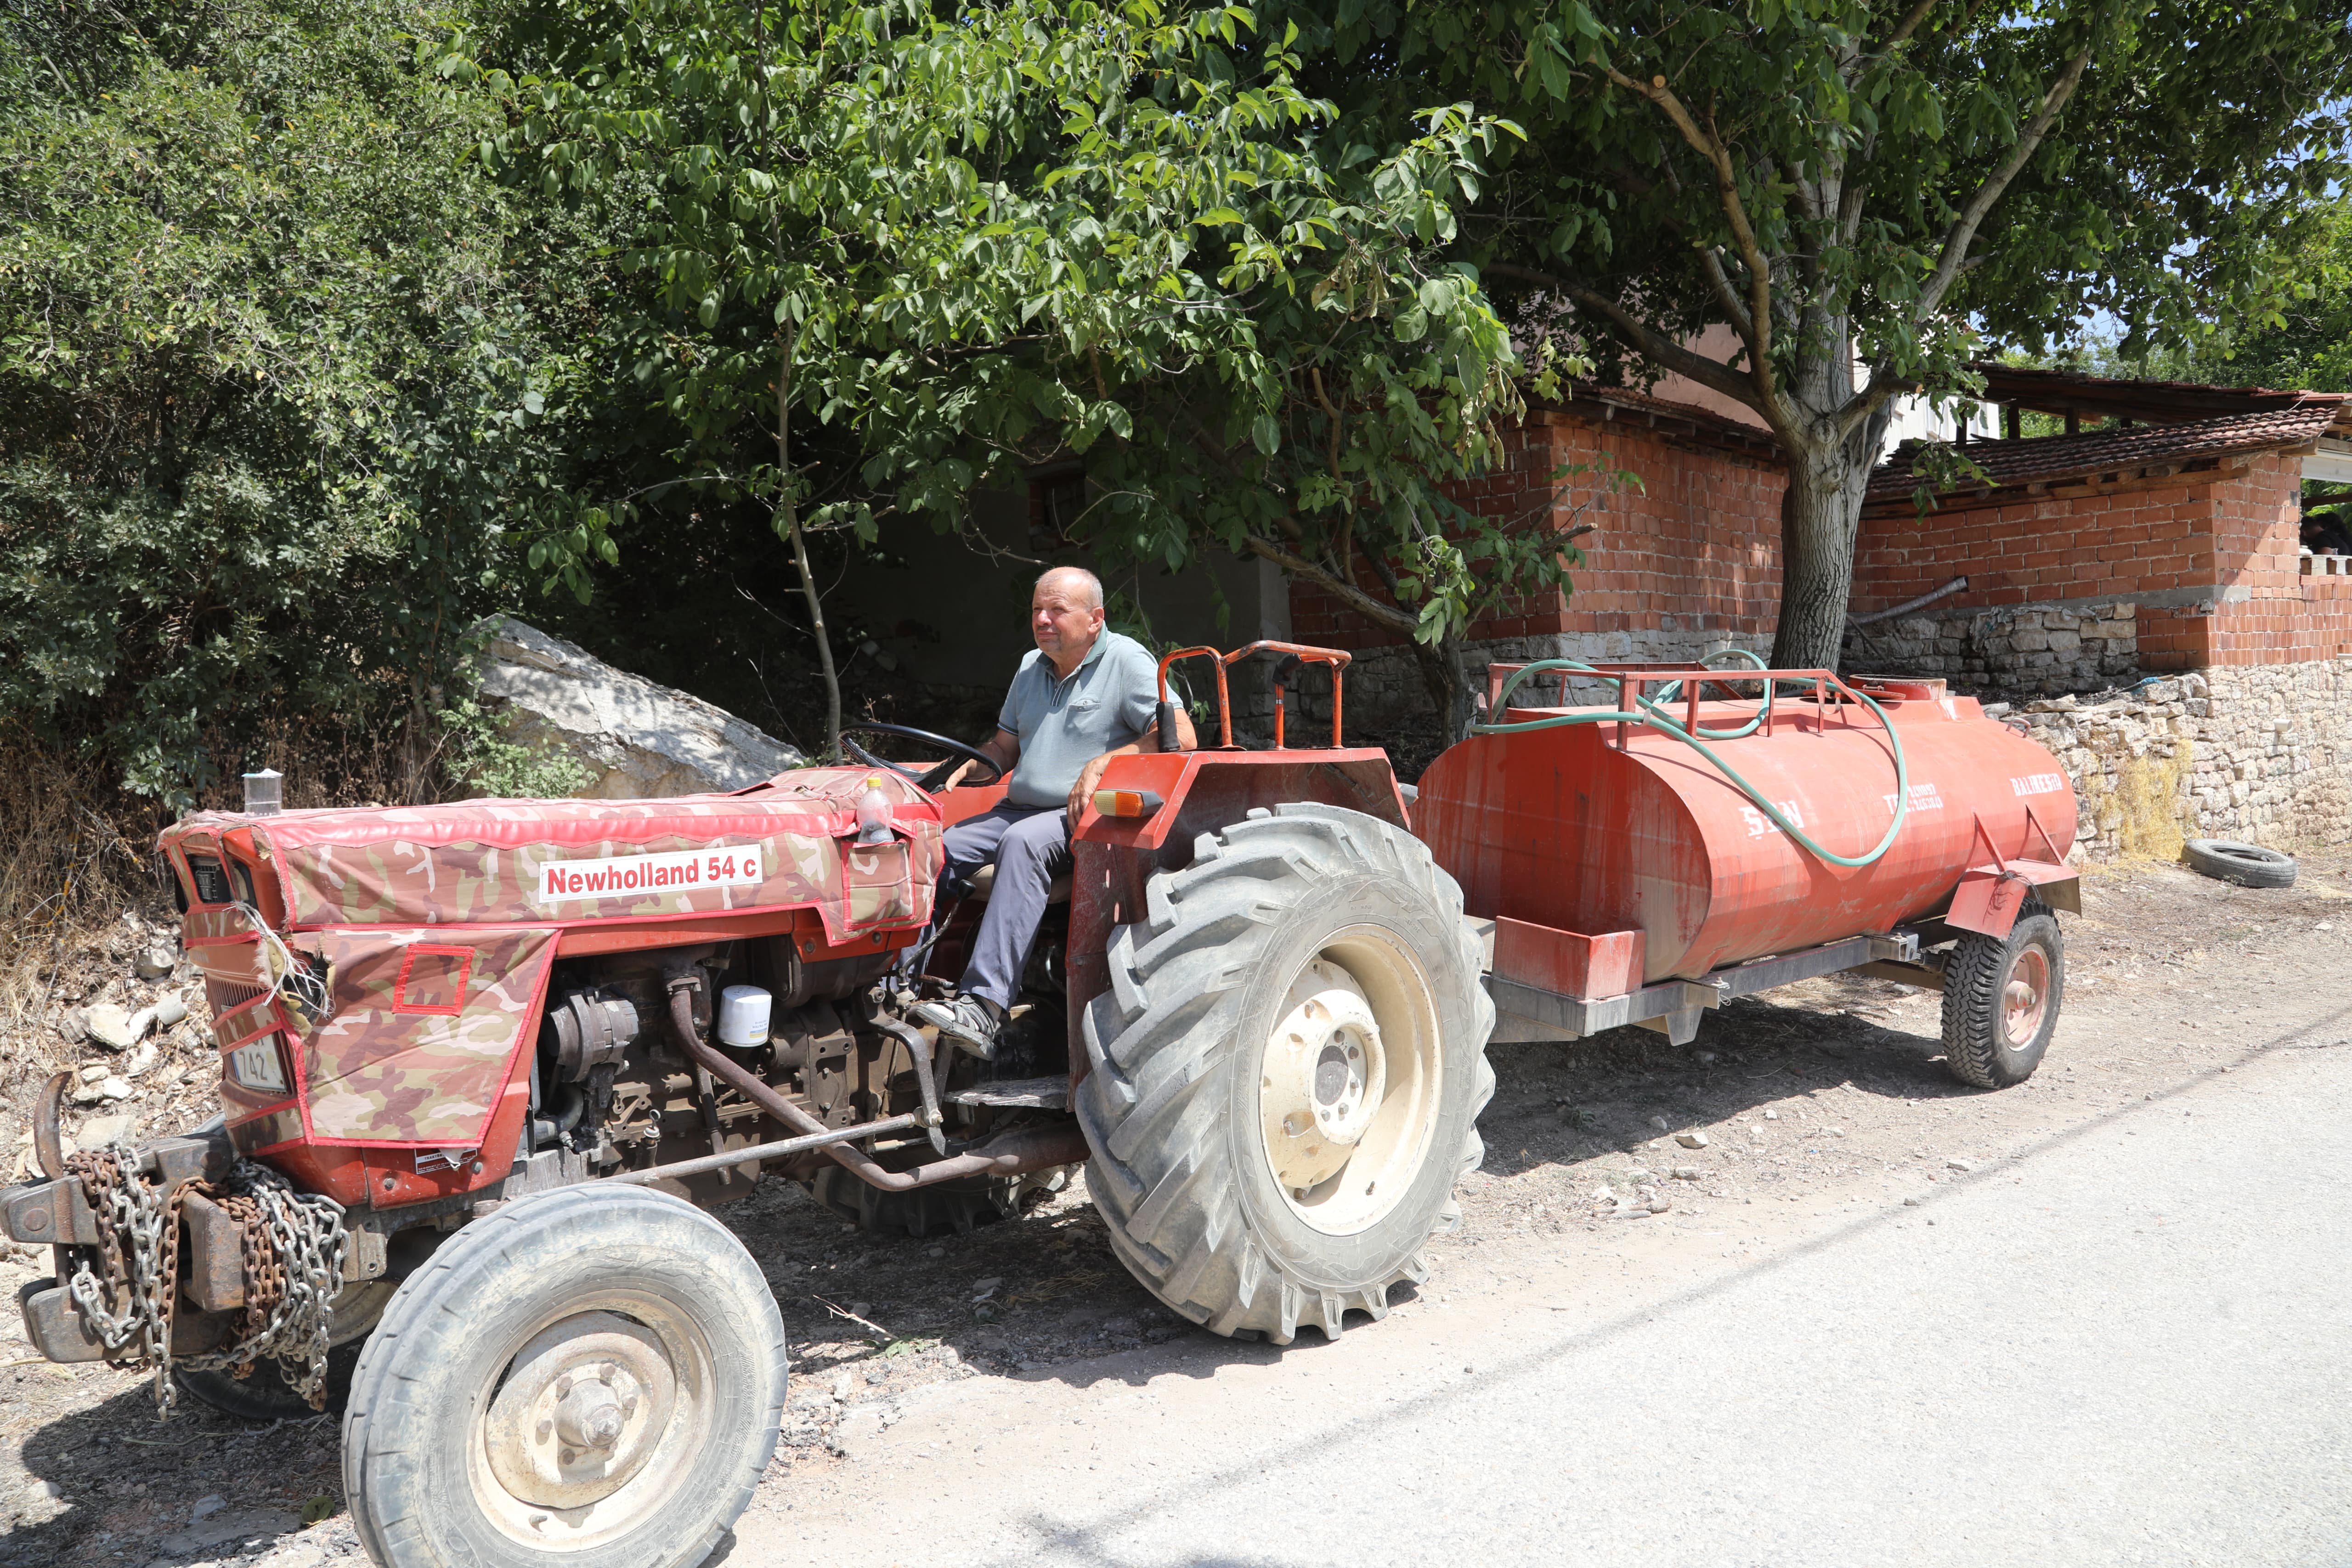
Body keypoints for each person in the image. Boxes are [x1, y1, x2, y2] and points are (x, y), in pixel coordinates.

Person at [909, 566, 1193, 1058]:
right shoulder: (1029, 667)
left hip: (1085, 817)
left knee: (1022, 843)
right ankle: (898, 984)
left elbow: (1180, 737)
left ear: (1095, 618)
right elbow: (1004, 748)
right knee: (933, 850)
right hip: (1019, 808)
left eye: (1057, 610)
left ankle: (982, 1007)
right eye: (1037, 609)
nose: (1042, 619)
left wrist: (1102, 764)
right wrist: (969, 764)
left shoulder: (1125, 660)